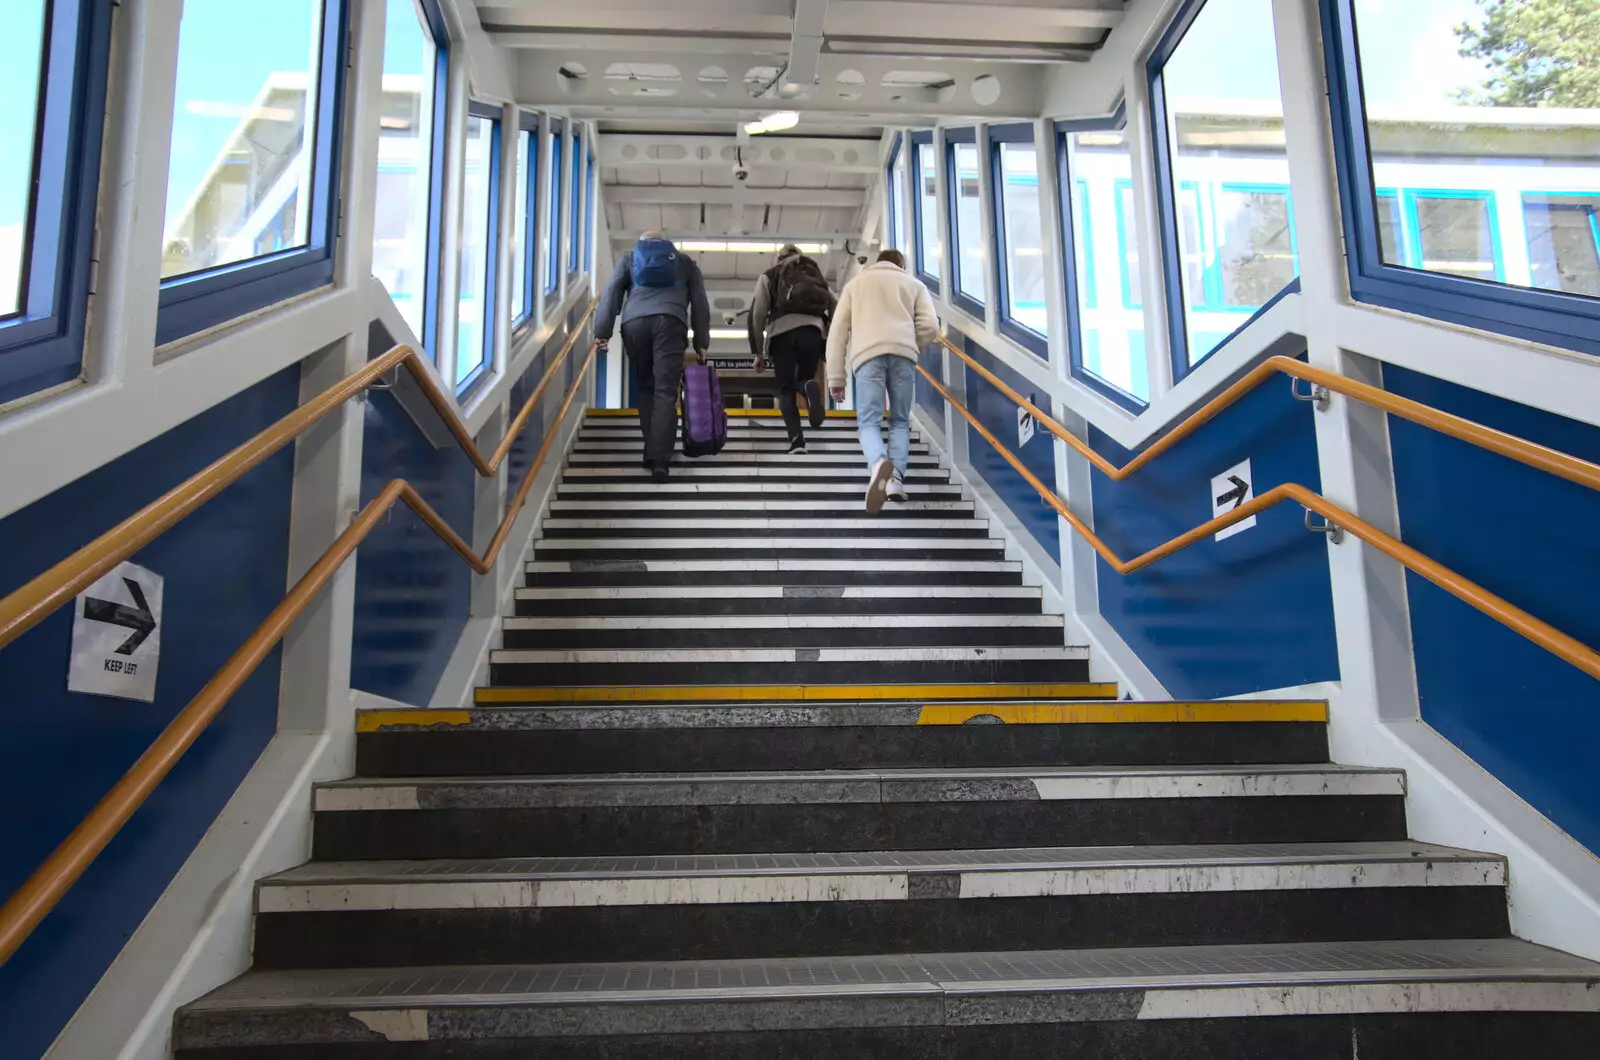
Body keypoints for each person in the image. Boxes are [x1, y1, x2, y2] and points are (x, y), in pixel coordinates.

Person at [824, 249, 939, 513]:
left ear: (878, 262)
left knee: (869, 422)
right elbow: (931, 325)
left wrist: (835, 379)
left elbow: (837, 334)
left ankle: (877, 464)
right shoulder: (914, 285)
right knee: (899, 420)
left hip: (868, 358)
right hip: (903, 357)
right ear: (902, 265)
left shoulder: (856, 285)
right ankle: (895, 479)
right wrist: (912, 345)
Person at [594, 232, 711, 480]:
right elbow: (700, 302)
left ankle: (652, 448)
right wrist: (702, 342)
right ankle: (659, 459)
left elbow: (612, 290)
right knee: (665, 391)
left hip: (635, 324)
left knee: (646, 387)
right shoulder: (685, 262)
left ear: (642, 243)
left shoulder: (629, 259)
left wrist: (602, 331)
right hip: (670, 322)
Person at [748, 244, 837, 453]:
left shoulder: (770, 274)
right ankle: (807, 385)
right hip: (812, 333)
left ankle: (797, 441)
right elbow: (835, 303)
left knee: (786, 390)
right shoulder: (814, 275)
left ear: (778, 258)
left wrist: (758, 352)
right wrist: (828, 331)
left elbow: (758, 312)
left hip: (782, 335)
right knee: (804, 377)